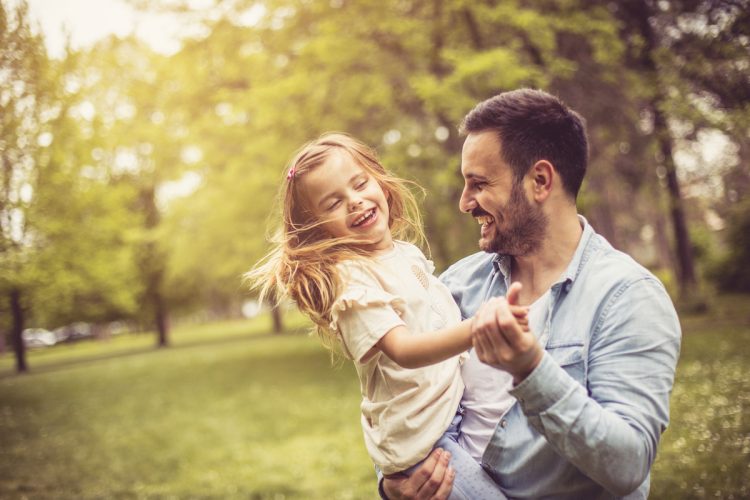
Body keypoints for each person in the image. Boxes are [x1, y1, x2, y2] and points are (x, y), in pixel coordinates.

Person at [382, 89, 682, 499]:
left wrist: (530, 369)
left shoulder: (627, 297)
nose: (464, 202)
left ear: (540, 181)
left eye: (479, 184)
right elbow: (399, 402)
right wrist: (393, 487)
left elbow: (627, 464)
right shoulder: (456, 285)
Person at [246, 133, 526, 499]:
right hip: (424, 443)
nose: (355, 202)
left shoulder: (405, 255)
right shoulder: (352, 281)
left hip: (447, 418)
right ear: (317, 228)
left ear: (379, 179)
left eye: (360, 184)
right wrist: (477, 329)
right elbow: (404, 349)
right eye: (333, 203)